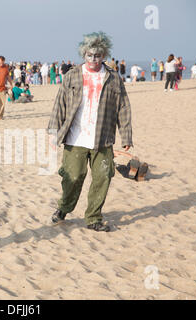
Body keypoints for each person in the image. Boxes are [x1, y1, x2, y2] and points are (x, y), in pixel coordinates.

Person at [47, 31, 133, 232]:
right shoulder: (72, 75)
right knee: (73, 176)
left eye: (97, 55)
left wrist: (126, 136)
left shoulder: (113, 78)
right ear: (83, 54)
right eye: (89, 55)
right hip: (76, 137)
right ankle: (63, 208)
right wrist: (53, 132)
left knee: (103, 177)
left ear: (104, 55)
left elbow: (123, 107)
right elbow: (59, 104)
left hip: (103, 139)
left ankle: (93, 217)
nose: (93, 59)